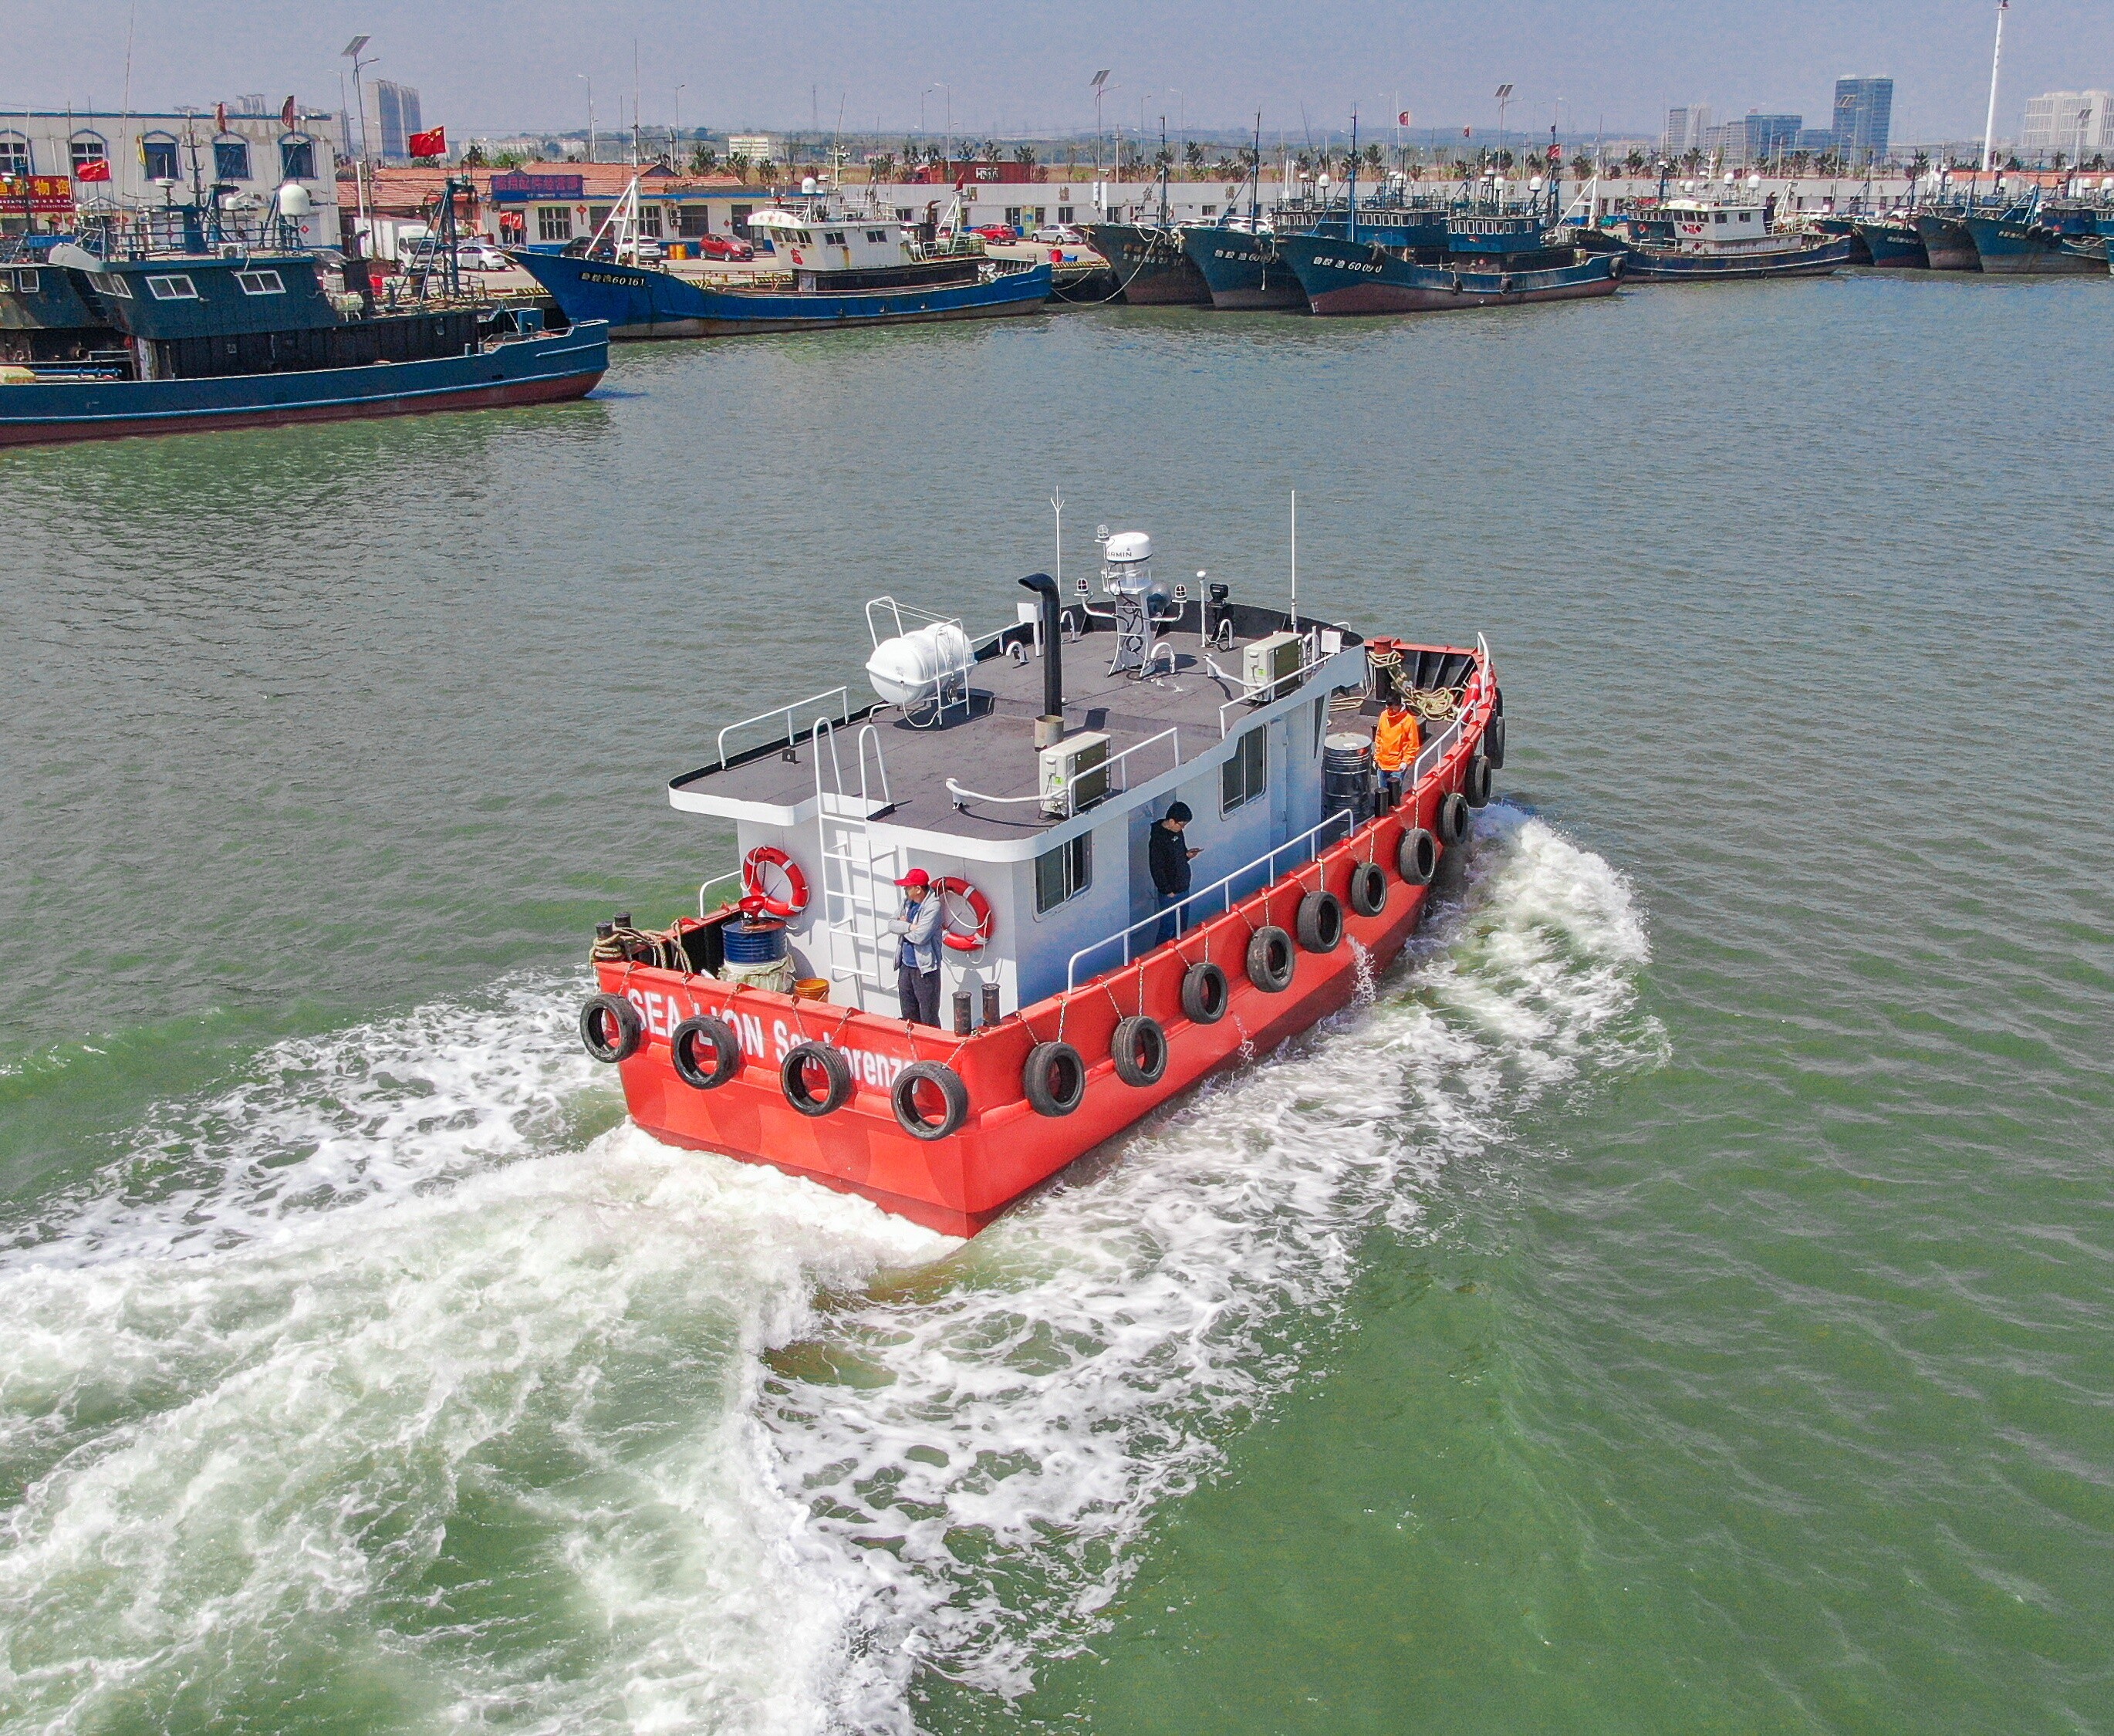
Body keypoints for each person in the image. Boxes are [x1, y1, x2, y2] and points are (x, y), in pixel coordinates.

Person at [888, 867, 944, 1026]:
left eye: (908, 887)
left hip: (925, 972)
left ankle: (933, 1049)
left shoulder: (933, 907)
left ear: (918, 889)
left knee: (928, 1017)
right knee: (908, 1016)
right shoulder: (906, 903)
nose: (905, 890)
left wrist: (903, 924)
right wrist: (909, 926)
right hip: (905, 967)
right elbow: (891, 924)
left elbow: (920, 937)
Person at [1150, 801, 1201, 946]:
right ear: (1172, 821)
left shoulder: (1178, 833)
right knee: (1167, 929)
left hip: (1183, 887)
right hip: (1171, 893)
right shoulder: (1158, 839)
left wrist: (1187, 855)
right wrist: (1167, 890)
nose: (1183, 828)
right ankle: (1160, 958)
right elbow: (1156, 867)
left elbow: (1178, 856)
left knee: (1181, 928)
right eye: (1182, 824)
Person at [1373, 690, 1422, 811]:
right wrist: (1376, 757)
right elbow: (1379, 738)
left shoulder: (1409, 721)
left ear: (1398, 705)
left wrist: (1406, 761)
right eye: (1388, 707)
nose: (1390, 710)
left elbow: (1413, 744)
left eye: (1392, 707)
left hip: (1397, 766)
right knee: (1382, 797)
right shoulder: (1384, 716)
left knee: (1394, 799)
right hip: (1383, 764)